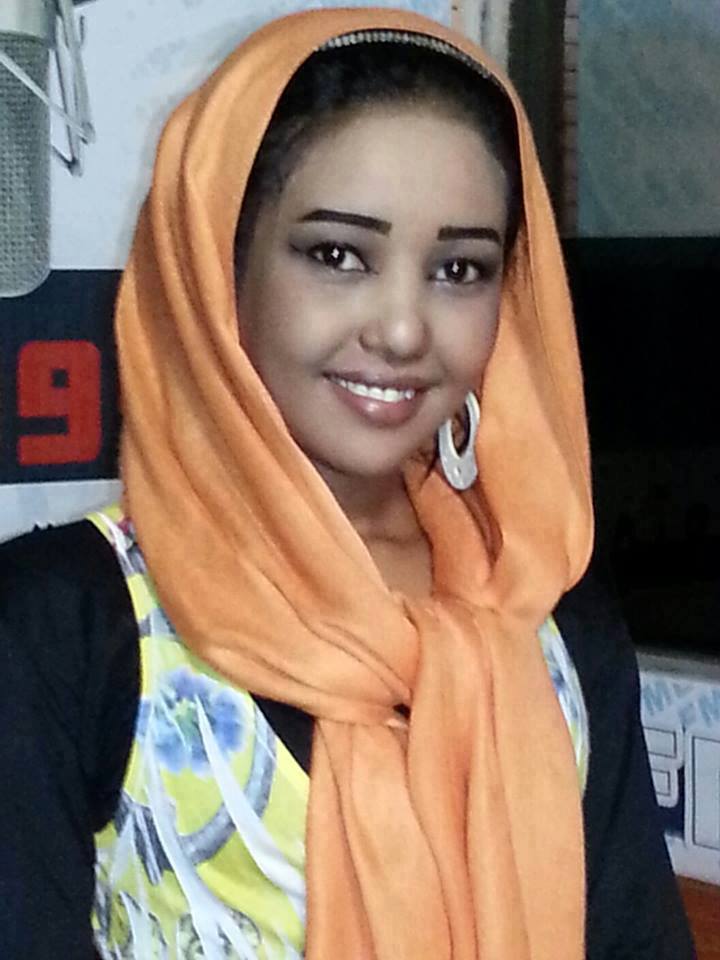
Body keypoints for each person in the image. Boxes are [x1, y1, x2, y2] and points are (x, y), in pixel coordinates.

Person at [0, 8, 695, 960]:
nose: (402, 328)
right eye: (337, 255)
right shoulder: (66, 625)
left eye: (460, 268)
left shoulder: (546, 612)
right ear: (218, 263)